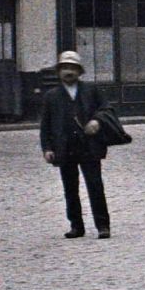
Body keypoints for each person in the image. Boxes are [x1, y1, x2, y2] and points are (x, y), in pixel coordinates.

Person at [39, 49, 112, 239]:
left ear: (79, 71)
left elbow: (107, 109)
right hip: (65, 148)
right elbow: (45, 125)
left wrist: (97, 121)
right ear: (59, 72)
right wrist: (47, 148)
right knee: (70, 188)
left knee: (95, 186)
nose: (68, 72)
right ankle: (76, 225)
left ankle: (103, 225)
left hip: (89, 147)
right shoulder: (51, 96)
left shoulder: (91, 90)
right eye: (64, 68)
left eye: (72, 68)